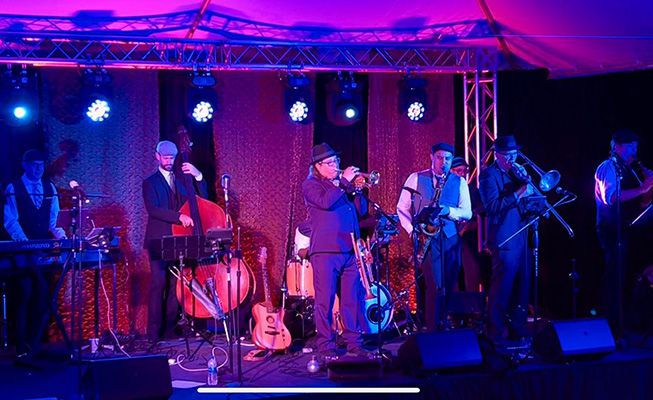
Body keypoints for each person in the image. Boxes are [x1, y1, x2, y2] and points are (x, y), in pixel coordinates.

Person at [397, 143, 471, 331]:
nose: (443, 162)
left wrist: (449, 211)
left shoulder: (460, 182)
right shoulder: (415, 178)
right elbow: (402, 207)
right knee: (434, 285)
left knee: (449, 283)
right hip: (427, 239)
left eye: (447, 159)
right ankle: (432, 328)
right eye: (439, 157)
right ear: (431, 157)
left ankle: (444, 323)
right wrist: (411, 230)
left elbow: (467, 212)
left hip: (450, 238)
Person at [301, 143, 365, 359]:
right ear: (317, 166)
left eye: (336, 161)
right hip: (325, 251)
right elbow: (325, 202)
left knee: (351, 300)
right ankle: (326, 345)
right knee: (325, 301)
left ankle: (354, 342)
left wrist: (357, 191)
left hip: (350, 250)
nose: (335, 165)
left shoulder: (343, 187)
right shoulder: (311, 185)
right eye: (329, 163)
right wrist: (344, 182)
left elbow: (361, 212)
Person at [143, 140, 208, 343]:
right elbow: (153, 209)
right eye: (165, 157)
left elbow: (201, 199)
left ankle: (170, 330)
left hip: (179, 239)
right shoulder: (150, 182)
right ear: (157, 156)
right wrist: (178, 217)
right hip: (158, 241)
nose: (169, 161)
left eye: (172, 157)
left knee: (175, 286)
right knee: (159, 284)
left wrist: (198, 176)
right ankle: (153, 333)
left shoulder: (181, 179)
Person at [3, 149, 66, 358]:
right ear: (25, 165)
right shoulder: (13, 188)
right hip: (22, 252)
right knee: (23, 295)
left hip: (43, 252)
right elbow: (10, 220)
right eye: (34, 165)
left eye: (41, 165)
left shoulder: (49, 187)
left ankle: (35, 344)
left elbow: (53, 222)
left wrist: (63, 238)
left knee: (42, 296)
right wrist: (25, 243)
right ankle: (20, 346)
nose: (38, 169)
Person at [594, 130, 653, 336]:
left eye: (636, 146)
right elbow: (610, 197)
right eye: (631, 146)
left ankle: (623, 325)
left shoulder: (629, 169)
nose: (635, 151)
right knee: (614, 278)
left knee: (624, 277)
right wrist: (643, 189)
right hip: (611, 229)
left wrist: (649, 189)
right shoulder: (608, 167)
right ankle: (610, 327)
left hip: (626, 229)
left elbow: (640, 203)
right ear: (617, 146)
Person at [479, 135, 535, 343]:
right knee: (502, 287)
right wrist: (519, 193)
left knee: (522, 286)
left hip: (522, 236)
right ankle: (495, 330)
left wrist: (528, 185)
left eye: (514, 154)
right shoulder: (488, 175)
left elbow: (530, 201)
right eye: (508, 155)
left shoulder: (517, 174)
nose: (512, 159)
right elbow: (492, 207)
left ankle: (518, 327)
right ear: (497, 155)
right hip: (504, 238)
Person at [450, 156, 485, 292]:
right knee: (451, 272)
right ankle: (452, 302)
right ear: (451, 171)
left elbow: (483, 209)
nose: (462, 174)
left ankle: (472, 302)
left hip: (467, 236)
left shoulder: (471, 190)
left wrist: (471, 215)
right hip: (449, 236)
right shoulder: (444, 190)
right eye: (459, 171)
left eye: (464, 171)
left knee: (472, 270)